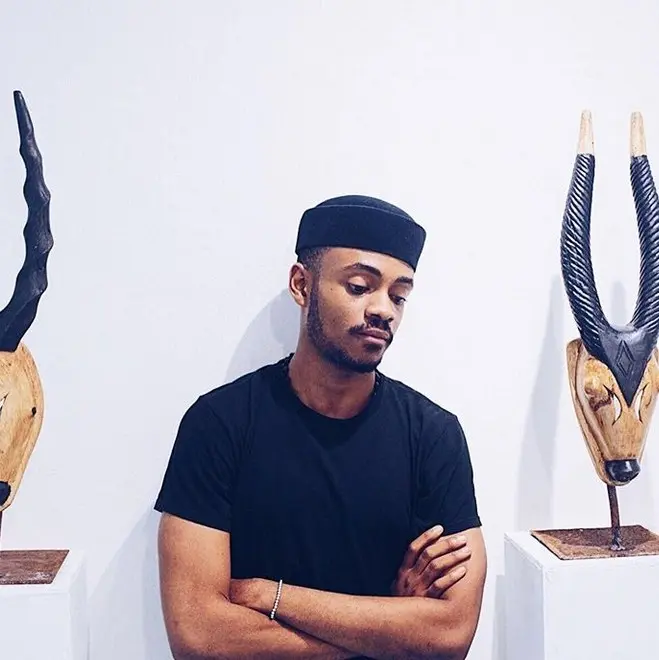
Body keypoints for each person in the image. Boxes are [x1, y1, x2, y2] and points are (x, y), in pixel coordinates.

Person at [154, 195, 486, 660]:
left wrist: (270, 596)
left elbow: (451, 634)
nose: (384, 310)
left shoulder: (434, 435)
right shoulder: (219, 424)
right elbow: (198, 636)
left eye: (399, 295)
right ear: (301, 285)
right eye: (359, 286)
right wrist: (390, 626)